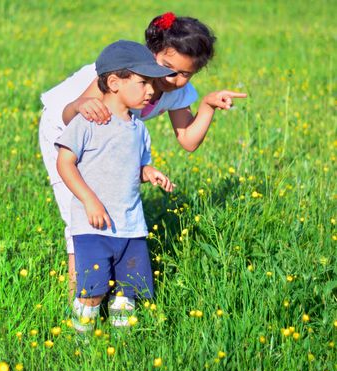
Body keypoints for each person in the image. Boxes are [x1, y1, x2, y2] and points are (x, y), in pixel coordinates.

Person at [39, 12, 246, 296]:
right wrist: (83, 106)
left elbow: (187, 139)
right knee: (80, 212)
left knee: (106, 205)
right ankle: (79, 301)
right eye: (167, 67)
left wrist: (208, 106)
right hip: (65, 129)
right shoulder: (121, 73)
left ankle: (108, 287)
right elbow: (68, 112)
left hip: (105, 136)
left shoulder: (172, 91)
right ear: (152, 52)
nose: (172, 79)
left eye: (185, 74)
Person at [55, 40, 175, 332]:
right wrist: (89, 200)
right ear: (113, 82)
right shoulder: (88, 122)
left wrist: (148, 172)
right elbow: (64, 163)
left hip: (131, 226)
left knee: (127, 292)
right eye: (144, 82)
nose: (151, 91)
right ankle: (81, 343)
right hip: (93, 227)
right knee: (93, 292)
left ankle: (122, 348)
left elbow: (135, 167)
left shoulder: (139, 128)